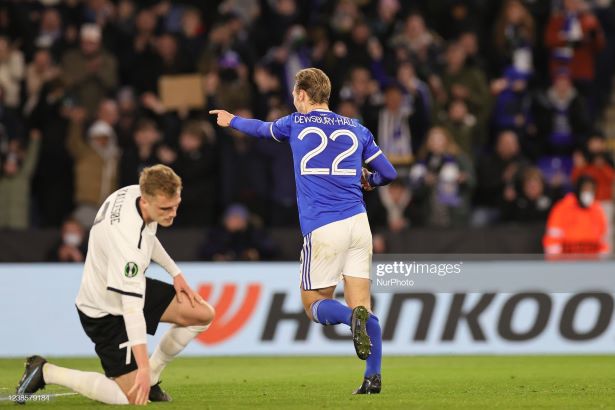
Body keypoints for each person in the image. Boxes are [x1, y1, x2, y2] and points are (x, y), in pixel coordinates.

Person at [210, 67, 397, 394]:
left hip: (324, 226)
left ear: (301, 95)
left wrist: (232, 119)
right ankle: (373, 377)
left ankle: (351, 322)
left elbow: (260, 129)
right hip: (358, 224)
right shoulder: (357, 128)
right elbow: (389, 173)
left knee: (313, 304)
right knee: (362, 305)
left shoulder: (295, 123)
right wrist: (370, 180)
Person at [16, 165, 215, 405]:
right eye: (165, 208)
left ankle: (151, 379)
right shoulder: (128, 245)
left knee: (202, 314)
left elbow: (148, 237)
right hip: (103, 309)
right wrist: (142, 367)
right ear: (146, 202)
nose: (172, 213)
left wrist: (176, 273)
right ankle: (45, 371)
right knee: (129, 399)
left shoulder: (133, 193)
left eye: (176, 205)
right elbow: (131, 311)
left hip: (126, 284)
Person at [543, 175, 608, 257]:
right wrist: (556, 265)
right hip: (567, 261)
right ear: (578, 189)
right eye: (585, 189)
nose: (588, 192)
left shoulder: (598, 210)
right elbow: (552, 240)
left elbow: (602, 241)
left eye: (591, 190)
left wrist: (602, 263)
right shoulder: (562, 208)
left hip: (592, 262)